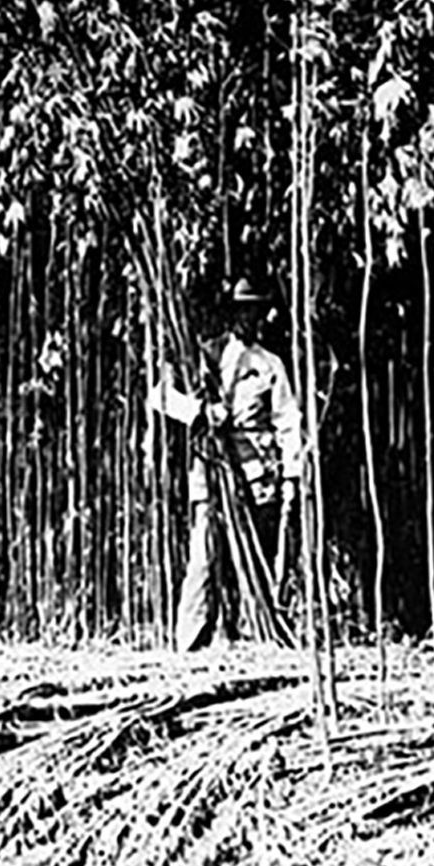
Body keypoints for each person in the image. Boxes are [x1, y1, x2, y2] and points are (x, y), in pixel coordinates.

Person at [151, 277, 303, 652]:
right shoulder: (204, 356)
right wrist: (200, 412)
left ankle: (255, 633)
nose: (247, 316)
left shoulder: (270, 364)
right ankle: (191, 639)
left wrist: (292, 475)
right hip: (212, 467)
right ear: (231, 311)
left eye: (254, 308)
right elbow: (160, 396)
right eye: (241, 308)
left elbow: (287, 420)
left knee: (258, 554)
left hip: (257, 472)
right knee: (205, 553)